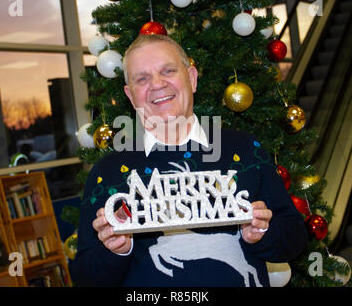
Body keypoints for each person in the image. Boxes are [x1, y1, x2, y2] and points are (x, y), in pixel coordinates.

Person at [70, 34, 308, 287]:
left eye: (168, 70)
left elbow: (294, 241)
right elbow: (85, 277)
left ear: (192, 78)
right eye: (142, 78)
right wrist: (115, 251)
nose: (157, 84)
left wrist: (263, 233)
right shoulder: (108, 172)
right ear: (130, 95)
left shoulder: (247, 150)